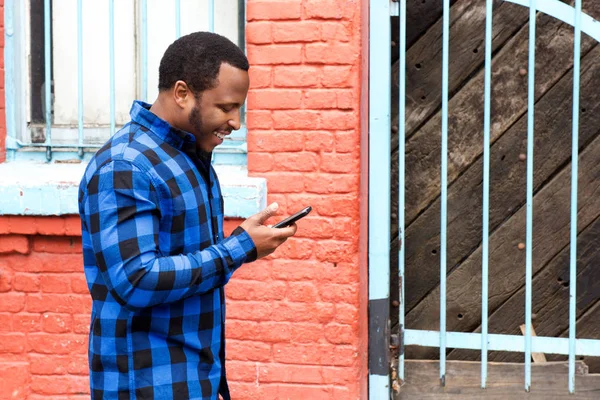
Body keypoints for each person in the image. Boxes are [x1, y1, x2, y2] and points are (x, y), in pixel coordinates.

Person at [78, 31, 297, 400]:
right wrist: (239, 249)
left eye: (239, 108)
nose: (236, 122)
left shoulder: (189, 156)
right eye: (226, 107)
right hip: (146, 384)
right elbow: (136, 279)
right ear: (182, 94)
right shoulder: (127, 166)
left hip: (197, 377)